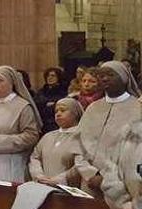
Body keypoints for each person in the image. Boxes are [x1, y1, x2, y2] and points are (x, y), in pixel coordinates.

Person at [76, 61, 142, 195]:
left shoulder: (137, 108)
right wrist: (89, 173)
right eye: (101, 75)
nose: (105, 78)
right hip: (90, 183)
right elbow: (78, 145)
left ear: (124, 78)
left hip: (123, 185)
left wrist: (107, 178)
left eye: (110, 75)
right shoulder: (92, 108)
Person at [29, 98, 83, 188]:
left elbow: (82, 163)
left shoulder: (82, 137)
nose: (58, 114)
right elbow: (35, 157)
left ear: (75, 113)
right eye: (56, 111)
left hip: (69, 190)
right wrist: (39, 176)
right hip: (43, 186)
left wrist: (58, 180)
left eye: (63, 110)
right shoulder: (48, 136)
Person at [34, 67, 66, 133]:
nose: (49, 78)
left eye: (53, 76)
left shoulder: (63, 91)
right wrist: (46, 104)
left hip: (56, 124)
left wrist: (51, 105)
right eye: (48, 75)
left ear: (58, 77)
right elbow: (36, 105)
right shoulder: (41, 92)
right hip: (42, 124)